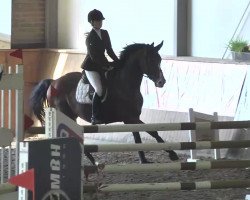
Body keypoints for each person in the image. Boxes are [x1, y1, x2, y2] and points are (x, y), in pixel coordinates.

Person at [81, 9, 119, 125]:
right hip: (91, 67)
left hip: (103, 63)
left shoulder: (105, 33)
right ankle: (94, 116)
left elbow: (109, 50)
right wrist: (106, 66)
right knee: (99, 89)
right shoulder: (90, 38)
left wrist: (118, 62)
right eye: (98, 21)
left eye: (101, 20)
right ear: (92, 22)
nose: (100, 23)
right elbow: (94, 57)